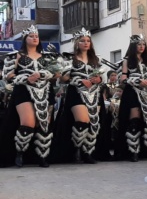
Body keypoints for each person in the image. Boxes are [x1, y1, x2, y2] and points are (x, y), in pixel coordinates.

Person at [0, 26, 55, 167]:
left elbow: (55, 74)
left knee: (43, 123)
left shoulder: (47, 56)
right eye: (31, 36)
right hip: (23, 90)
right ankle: (19, 152)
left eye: (36, 36)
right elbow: (8, 76)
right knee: (28, 123)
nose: (35, 38)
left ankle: (42, 156)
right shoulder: (16, 55)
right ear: (25, 39)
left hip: (45, 91)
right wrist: (26, 78)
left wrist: (43, 74)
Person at [51, 28, 104, 164]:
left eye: (88, 41)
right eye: (82, 41)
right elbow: (63, 78)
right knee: (82, 121)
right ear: (77, 43)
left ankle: (88, 152)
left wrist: (99, 79)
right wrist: (79, 80)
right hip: (76, 92)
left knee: (93, 123)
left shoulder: (96, 58)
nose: (86, 43)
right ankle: (77, 149)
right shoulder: (70, 58)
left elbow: (102, 76)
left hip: (94, 93)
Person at [115, 35, 147, 162]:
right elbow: (123, 79)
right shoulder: (127, 60)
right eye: (139, 44)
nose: (141, 47)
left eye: (143, 44)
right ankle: (133, 150)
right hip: (133, 92)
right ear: (134, 46)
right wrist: (137, 81)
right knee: (134, 120)